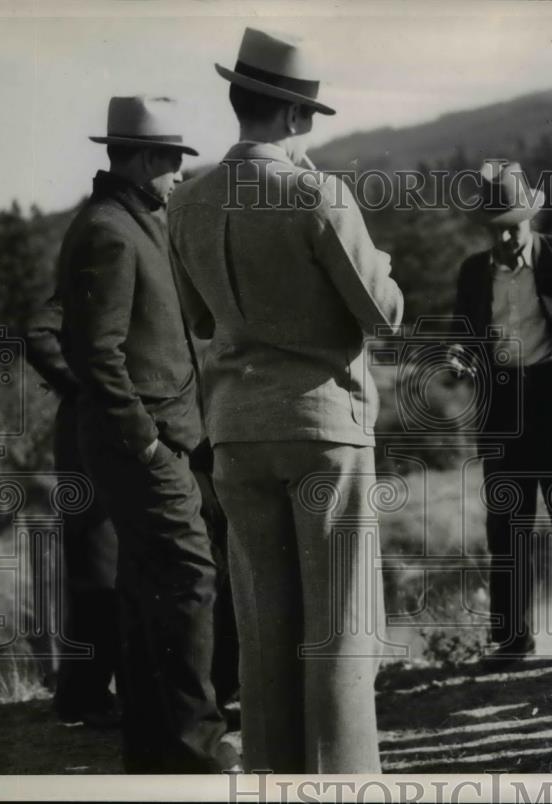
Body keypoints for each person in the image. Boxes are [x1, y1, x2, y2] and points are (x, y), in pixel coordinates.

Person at [167, 28, 403, 773]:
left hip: (236, 430)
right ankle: (342, 782)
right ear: (296, 117)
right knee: (336, 626)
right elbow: (384, 311)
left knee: (264, 624)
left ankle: (272, 777)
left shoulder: (188, 201)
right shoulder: (315, 192)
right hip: (322, 425)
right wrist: (384, 263)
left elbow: (199, 319)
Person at [58, 96, 235, 773]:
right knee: (191, 582)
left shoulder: (137, 221)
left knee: (147, 591)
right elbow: (95, 353)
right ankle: (195, 751)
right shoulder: (109, 229)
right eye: (168, 161)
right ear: (135, 160)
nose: (177, 175)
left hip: (166, 439)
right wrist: (148, 443)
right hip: (148, 445)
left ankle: (155, 749)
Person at [448, 161, 552, 661]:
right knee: (506, 522)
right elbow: (465, 335)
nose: (505, 239)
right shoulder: (473, 273)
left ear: (530, 219)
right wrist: (462, 357)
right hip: (502, 404)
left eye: (513, 227)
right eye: (495, 229)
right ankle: (511, 641)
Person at [25, 294, 120, 729]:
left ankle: (94, 695)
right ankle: (83, 698)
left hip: (137, 433)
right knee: (97, 568)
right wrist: (92, 389)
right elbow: (38, 333)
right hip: (93, 435)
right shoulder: (102, 256)